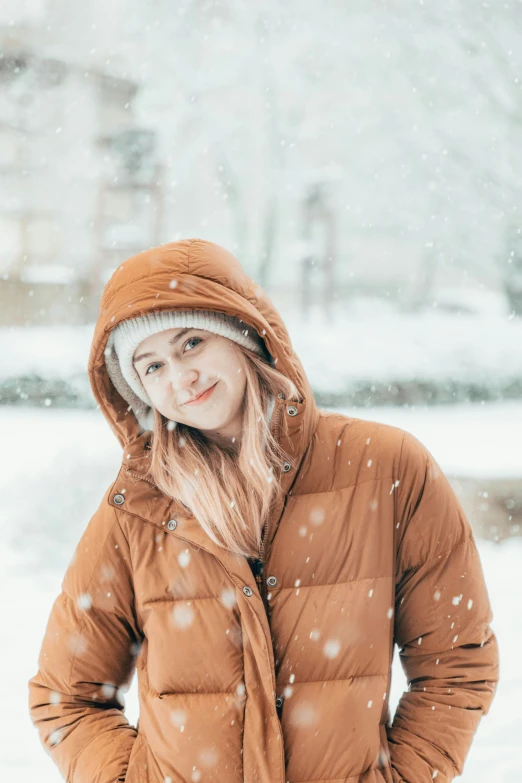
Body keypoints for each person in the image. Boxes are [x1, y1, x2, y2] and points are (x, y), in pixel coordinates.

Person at [28, 238, 498, 783]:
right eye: (151, 366)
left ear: (244, 334)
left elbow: (456, 662)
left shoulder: (386, 468)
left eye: (192, 342)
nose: (181, 378)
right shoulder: (137, 511)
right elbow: (66, 696)